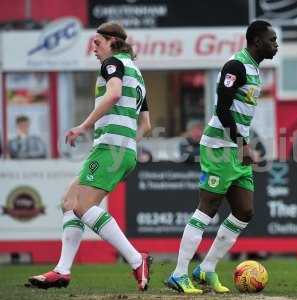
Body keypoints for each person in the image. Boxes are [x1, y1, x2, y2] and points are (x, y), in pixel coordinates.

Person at [27, 22, 152, 291]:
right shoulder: (138, 74)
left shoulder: (112, 64)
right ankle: (62, 270)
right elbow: (146, 125)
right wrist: (127, 146)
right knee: (69, 202)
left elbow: (114, 93)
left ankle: (135, 258)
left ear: (112, 42)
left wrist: (83, 126)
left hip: (110, 148)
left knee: (81, 205)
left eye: (97, 42)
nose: (93, 48)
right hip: (121, 149)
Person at [166, 20, 278, 294]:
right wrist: (242, 144)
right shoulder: (235, 66)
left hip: (236, 149)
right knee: (208, 208)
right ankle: (179, 274)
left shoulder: (254, 69)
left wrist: (243, 144)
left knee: (244, 211)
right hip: (220, 147)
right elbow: (222, 108)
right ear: (256, 41)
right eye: (272, 40)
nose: (276, 44)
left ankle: (206, 268)